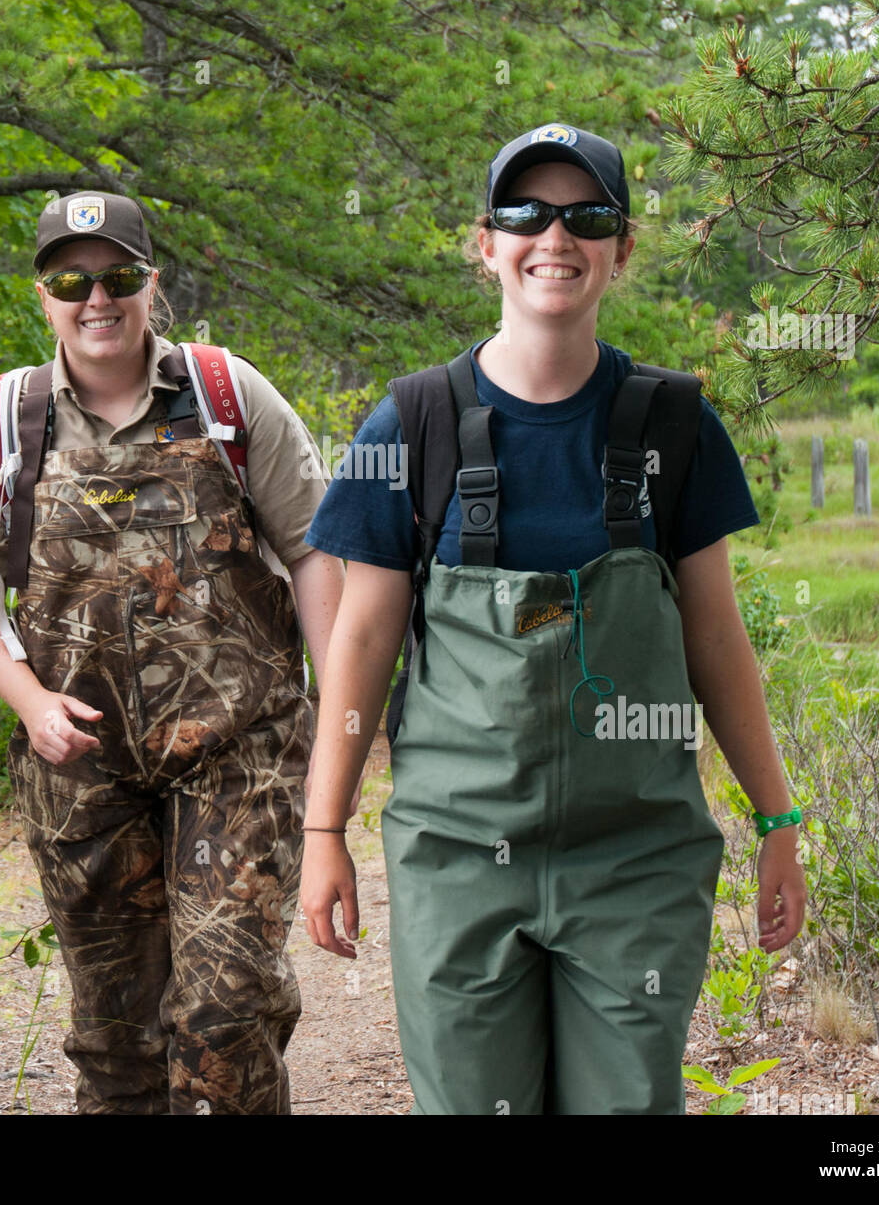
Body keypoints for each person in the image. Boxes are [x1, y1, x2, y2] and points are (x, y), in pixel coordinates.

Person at [299, 124, 807, 1115]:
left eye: (588, 215)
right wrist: (325, 828)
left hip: (636, 859)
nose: (555, 237)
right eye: (526, 214)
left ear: (620, 248)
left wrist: (776, 817)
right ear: (485, 243)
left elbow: (714, 639)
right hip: (456, 855)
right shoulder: (407, 426)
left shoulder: (676, 426)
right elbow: (359, 645)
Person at [0, 189, 346, 1115]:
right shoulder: (5, 423)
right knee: (115, 1038)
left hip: (238, 753)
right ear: (43, 295)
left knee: (227, 1012)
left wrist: (339, 711)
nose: (94, 298)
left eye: (116, 276)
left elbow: (316, 551)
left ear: (152, 284)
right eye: (71, 279)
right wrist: (28, 702)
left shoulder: (227, 397)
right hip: (82, 774)